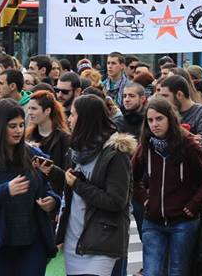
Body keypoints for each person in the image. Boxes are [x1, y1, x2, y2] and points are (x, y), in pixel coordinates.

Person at [42, 93, 135, 276]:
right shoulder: (77, 151)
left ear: (86, 119)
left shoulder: (115, 154)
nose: (69, 119)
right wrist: (54, 173)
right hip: (73, 238)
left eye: (73, 114)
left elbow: (116, 201)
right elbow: (73, 188)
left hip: (101, 240)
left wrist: (78, 184)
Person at [0, 99, 58, 275]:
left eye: (21, 125)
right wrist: (6, 190)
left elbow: (48, 190)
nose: (18, 131)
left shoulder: (34, 155)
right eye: (12, 126)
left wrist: (51, 200)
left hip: (32, 243)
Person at [132, 97, 202, 276]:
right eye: (150, 120)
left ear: (170, 119)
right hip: (153, 220)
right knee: (151, 271)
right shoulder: (145, 146)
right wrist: (145, 200)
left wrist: (193, 205)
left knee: (178, 271)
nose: (154, 124)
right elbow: (132, 179)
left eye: (159, 119)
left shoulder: (189, 145)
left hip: (183, 221)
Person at [25, 89, 71, 193]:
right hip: (32, 193)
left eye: (34, 109)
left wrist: (51, 169)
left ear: (47, 111)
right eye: (29, 108)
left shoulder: (64, 139)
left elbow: (68, 175)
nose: (30, 112)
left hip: (54, 194)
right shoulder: (28, 136)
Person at [159, 74, 202, 152]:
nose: (161, 100)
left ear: (179, 94)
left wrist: (177, 129)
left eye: (165, 96)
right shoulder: (164, 113)